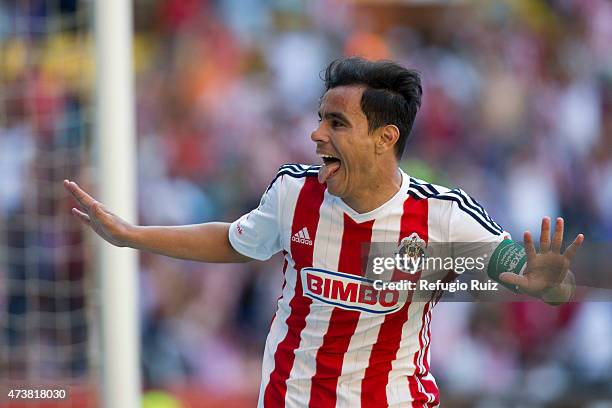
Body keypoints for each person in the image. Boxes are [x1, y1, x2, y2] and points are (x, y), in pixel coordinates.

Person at [64, 57, 583, 407]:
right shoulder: (294, 195)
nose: (316, 134)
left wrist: (551, 285)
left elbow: (526, 274)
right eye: (319, 119)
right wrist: (133, 235)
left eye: (336, 123)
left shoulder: (443, 216)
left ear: (385, 138)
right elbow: (234, 241)